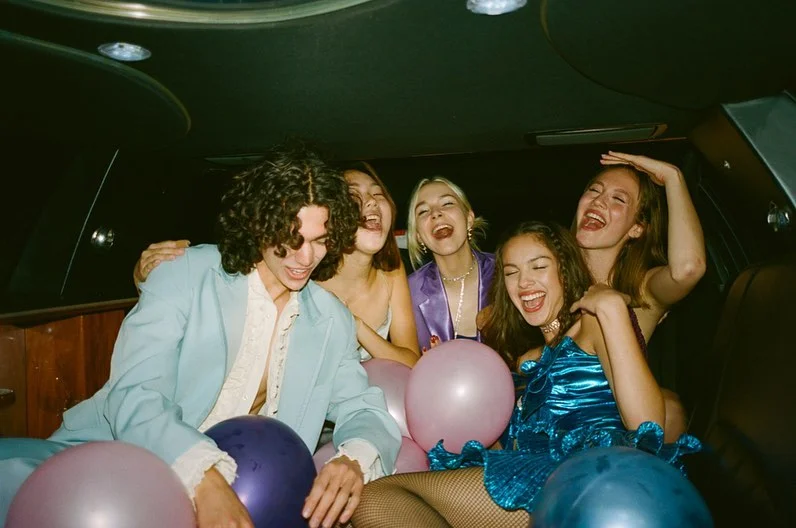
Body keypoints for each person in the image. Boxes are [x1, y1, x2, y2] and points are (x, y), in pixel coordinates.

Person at [0, 142, 402, 528]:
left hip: (254, 494)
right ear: (260, 223)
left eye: (320, 241)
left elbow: (365, 409)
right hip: (112, 468)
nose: (305, 258)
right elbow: (135, 394)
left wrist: (353, 459)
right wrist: (204, 476)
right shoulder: (185, 273)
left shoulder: (331, 319)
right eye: (290, 238)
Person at [351, 221, 701, 528]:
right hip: (539, 474)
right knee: (380, 498)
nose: (524, 282)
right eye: (511, 272)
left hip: (586, 479)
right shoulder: (528, 361)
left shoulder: (594, 324)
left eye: (539, 266)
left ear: (565, 270)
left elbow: (647, 425)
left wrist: (612, 309)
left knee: (377, 499)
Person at [133, 162, 420, 368]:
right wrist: (148, 276)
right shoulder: (301, 271)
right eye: (354, 195)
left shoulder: (391, 270)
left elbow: (410, 360)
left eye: (378, 194)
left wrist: (354, 325)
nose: (370, 202)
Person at [406, 177, 493, 351]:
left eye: (447, 203)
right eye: (423, 211)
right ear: (418, 235)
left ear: (469, 219)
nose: (435, 213)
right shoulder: (408, 292)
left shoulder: (506, 273)